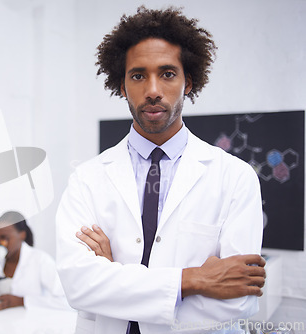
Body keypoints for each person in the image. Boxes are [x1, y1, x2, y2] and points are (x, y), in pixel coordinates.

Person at [55, 6, 266, 334]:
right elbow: (79, 286)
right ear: (122, 85)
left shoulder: (236, 178)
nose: (152, 90)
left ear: (188, 82)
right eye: (138, 75)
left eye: (167, 73)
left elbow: (239, 299)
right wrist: (193, 279)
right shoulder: (86, 178)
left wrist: (115, 277)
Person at [0, 211, 71, 311]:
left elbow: (66, 302)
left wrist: (22, 301)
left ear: (22, 235)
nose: (0, 243)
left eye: (4, 238)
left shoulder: (41, 260)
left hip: (32, 324)